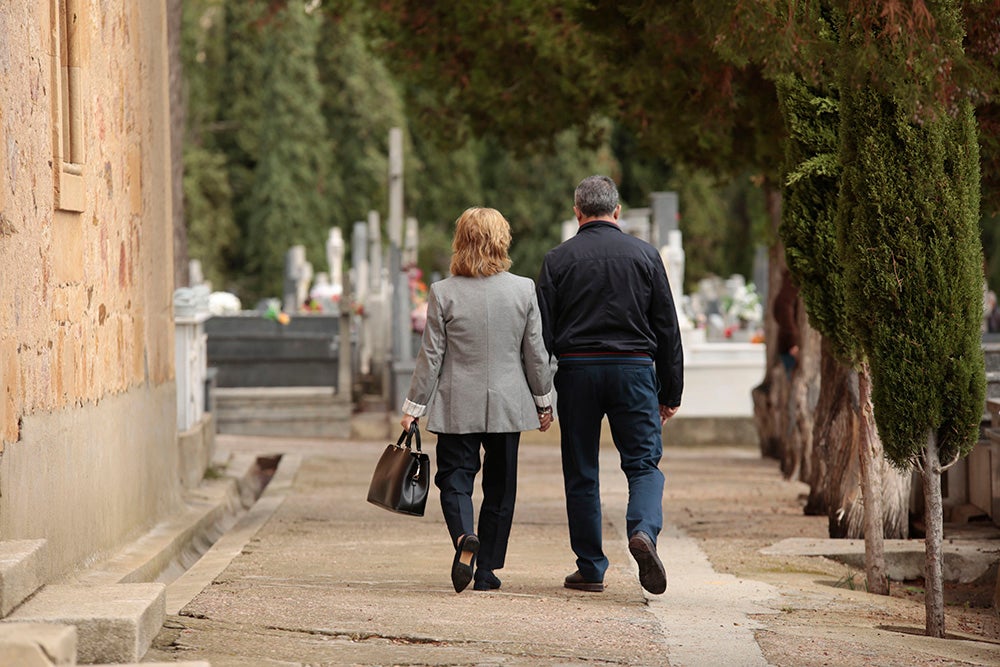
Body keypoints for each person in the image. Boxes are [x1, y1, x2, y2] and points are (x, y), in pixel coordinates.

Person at [536, 175, 683, 595]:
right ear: (616, 212)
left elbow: (542, 335)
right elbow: (667, 329)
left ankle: (591, 566)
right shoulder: (646, 256)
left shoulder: (557, 260)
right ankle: (643, 533)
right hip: (634, 370)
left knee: (581, 470)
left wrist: (542, 393)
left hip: (577, 371)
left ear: (577, 212)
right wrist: (670, 393)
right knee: (643, 465)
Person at [400, 207, 553, 594]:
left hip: (456, 403)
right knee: (500, 487)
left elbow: (431, 357)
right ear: (502, 241)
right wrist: (544, 402)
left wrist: (413, 407)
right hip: (508, 403)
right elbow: (534, 353)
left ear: (460, 241)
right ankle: (486, 571)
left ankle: (463, 537)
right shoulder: (523, 289)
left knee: (454, 479)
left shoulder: (443, 292)